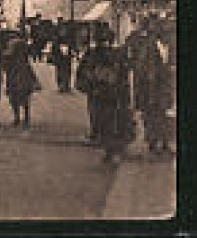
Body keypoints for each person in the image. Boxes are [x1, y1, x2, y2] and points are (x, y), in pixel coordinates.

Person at [77, 24, 134, 164]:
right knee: (112, 121)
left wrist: (91, 83)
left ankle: (110, 149)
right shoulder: (117, 53)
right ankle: (113, 149)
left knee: (105, 120)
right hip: (109, 93)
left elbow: (83, 72)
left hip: (103, 93)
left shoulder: (95, 54)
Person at [127, 15, 173, 155]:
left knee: (163, 114)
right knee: (151, 114)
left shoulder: (166, 45)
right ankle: (153, 143)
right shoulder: (148, 45)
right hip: (150, 87)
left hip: (163, 86)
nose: (166, 32)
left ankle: (164, 142)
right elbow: (142, 67)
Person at [2, 26, 40, 127]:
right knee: (25, 95)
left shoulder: (12, 43)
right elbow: (30, 54)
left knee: (13, 95)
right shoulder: (24, 44)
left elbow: (7, 56)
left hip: (14, 71)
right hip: (25, 69)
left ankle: (17, 118)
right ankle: (26, 117)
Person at [50, 22, 75, 93]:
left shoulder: (68, 39)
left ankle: (67, 85)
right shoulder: (56, 39)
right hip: (60, 58)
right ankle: (61, 85)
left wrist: (72, 52)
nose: (63, 31)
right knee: (60, 71)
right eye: (62, 30)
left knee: (67, 71)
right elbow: (54, 48)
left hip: (67, 58)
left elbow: (72, 46)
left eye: (64, 30)